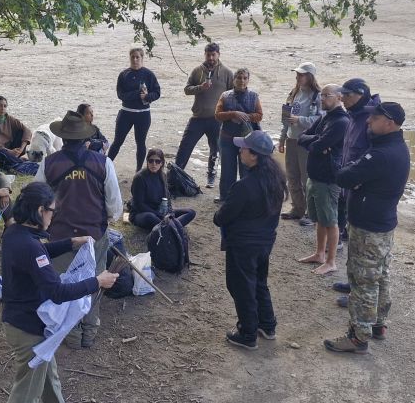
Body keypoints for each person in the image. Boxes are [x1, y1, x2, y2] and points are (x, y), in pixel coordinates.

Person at [0, 182, 118, 403]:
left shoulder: (15, 233)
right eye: (51, 211)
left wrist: (71, 243)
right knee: (27, 392)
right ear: (39, 210)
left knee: (48, 374)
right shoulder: (29, 245)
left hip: (21, 321)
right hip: (28, 329)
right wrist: (96, 281)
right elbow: (57, 292)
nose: (53, 216)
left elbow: (40, 252)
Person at [324, 102, 411, 355]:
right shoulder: (394, 147)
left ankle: (358, 338)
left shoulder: (381, 154)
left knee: (363, 281)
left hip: (369, 228)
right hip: (382, 224)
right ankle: (378, 325)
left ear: (390, 123)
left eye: (375, 118)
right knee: (380, 275)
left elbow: (345, 177)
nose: (368, 121)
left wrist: (350, 172)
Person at [35, 111, 123, 348]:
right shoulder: (103, 163)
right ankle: (90, 331)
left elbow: (35, 198)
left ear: (63, 138)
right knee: (95, 281)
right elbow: (114, 206)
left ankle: (72, 334)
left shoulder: (49, 164)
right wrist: (104, 219)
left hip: (60, 235)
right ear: (85, 138)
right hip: (95, 234)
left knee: (65, 286)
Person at [212, 130, 286, 350]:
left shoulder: (244, 186)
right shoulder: (275, 179)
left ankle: (247, 333)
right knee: (259, 282)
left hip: (243, 244)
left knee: (241, 286)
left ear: (254, 155)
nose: (240, 151)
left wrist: (218, 215)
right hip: (265, 241)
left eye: (243, 148)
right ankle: (267, 324)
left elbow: (222, 216)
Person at [296, 84, 350, 275]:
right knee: (319, 219)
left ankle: (331, 261)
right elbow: (301, 137)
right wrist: (316, 141)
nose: (322, 99)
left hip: (328, 179)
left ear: (339, 97)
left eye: (327, 95)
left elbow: (318, 145)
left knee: (330, 220)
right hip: (315, 176)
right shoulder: (325, 117)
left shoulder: (341, 121)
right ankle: (319, 254)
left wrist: (316, 142)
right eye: (322, 95)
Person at [174, 42, 233, 187]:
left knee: (215, 150)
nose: (211, 58)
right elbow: (187, 90)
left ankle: (211, 177)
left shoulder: (227, 73)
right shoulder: (197, 71)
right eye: (208, 55)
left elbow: (232, 94)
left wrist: (228, 115)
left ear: (218, 55)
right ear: (205, 55)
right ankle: (175, 176)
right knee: (185, 147)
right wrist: (201, 87)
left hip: (217, 119)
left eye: (213, 55)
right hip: (198, 118)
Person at [335, 78, 381, 241]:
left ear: (360, 95)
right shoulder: (352, 115)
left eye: (347, 95)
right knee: (342, 210)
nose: (342, 98)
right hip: (347, 178)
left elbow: (374, 155)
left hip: (360, 185)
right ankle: (342, 236)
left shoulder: (373, 120)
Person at [278, 61, 322, 225]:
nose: (298, 77)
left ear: (310, 76)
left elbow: (320, 119)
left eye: (301, 75)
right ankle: (297, 208)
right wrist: (282, 138)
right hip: (291, 139)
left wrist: (299, 120)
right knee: (292, 176)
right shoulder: (294, 92)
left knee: (306, 178)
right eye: (297, 74)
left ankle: (311, 213)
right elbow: (286, 118)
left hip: (306, 142)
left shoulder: (317, 96)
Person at [106, 47, 161, 172]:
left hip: (143, 115)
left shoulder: (149, 74)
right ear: (130, 58)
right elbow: (120, 95)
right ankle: (105, 167)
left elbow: (157, 92)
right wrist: (137, 94)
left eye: (137, 57)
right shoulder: (124, 75)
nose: (135, 60)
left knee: (140, 143)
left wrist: (147, 96)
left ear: (142, 58)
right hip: (126, 113)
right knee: (117, 141)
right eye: (133, 57)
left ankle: (138, 171)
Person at [214, 68, 263, 202]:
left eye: (245, 78)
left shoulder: (254, 96)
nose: (242, 81)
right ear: (234, 80)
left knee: (246, 170)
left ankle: (245, 198)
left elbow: (259, 115)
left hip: (246, 141)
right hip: (227, 139)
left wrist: (246, 117)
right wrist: (233, 114)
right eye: (239, 78)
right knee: (227, 170)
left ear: (248, 80)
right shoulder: (225, 96)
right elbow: (217, 115)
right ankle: (226, 197)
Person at [129, 148, 196, 231]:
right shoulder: (140, 178)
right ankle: (172, 227)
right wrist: (159, 215)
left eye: (157, 161)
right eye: (151, 161)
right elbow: (139, 205)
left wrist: (170, 212)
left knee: (190, 212)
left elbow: (167, 197)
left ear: (161, 163)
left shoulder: (163, 175)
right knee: (150, 217)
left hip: (160, 211)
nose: (154, 164)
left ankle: (168, 228)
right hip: (142, 213)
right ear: (147, 162)